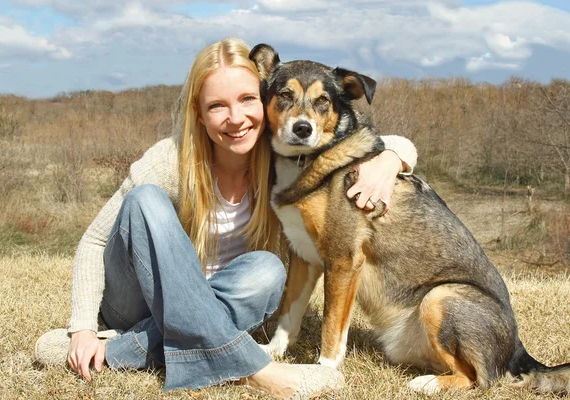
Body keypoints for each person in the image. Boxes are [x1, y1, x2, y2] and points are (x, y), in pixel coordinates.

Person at [35, 38, 418, 399]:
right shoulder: (170, 160)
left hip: (224, 298)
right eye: (218, 106)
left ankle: (127, 346)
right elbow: (95, 241)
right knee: (146, 200)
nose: (236, 118)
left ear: (263, 102)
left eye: (247, 99)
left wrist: (390, 159)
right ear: (199, 115)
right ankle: (255, 371)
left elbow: (371, 143)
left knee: (267, 271)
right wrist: (84, 327)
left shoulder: (280, 164)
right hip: (138, 297)